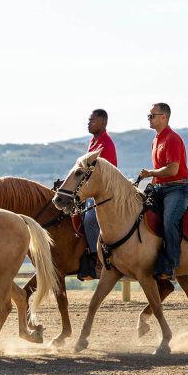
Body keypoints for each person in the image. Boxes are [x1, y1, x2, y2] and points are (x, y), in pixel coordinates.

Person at [138, 103, 188, 281]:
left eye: (153, 115)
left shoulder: (172, 139)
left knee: (169, 221)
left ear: (164, 117)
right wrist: (151, 183)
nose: (149, 119)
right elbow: (160, 171)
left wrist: (150, 173)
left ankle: (171, 266)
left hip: (178, 189)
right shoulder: (156, 140)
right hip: (161, 188)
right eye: (149, 116)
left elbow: (172, 170)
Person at [79, 109, 118, 280]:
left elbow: (104, 176)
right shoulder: (93, 142)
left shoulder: (106, 144)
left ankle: (98, 260)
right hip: (91, 191)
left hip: (105, 193)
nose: (88, 123)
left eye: (92, 120)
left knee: (90, 219)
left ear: (102, 122)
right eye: (88, 120)